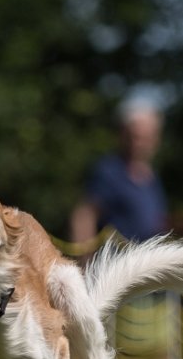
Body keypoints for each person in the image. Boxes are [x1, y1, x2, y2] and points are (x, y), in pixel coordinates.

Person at [70, 98, 169, 248]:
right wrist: (85, 262)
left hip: (146, 265)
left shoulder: (151, 177)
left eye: (147, 138)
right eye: (135, 137)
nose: (140, 144)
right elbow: (84, 217)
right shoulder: (109, 171)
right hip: (117, 265)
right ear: (123, 134)